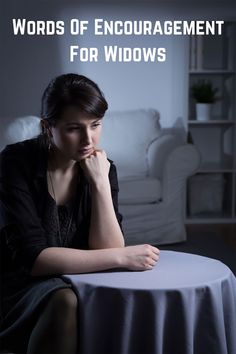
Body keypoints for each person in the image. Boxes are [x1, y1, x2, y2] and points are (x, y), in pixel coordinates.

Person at [0, 73, 160, 354]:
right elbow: (33, 259)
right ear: (48, 127)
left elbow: (108, 245)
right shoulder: (15, 162)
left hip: (82, 278)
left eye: (96, 125)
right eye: (74, 128)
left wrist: (99, 184)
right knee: (64, 301)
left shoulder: (102, 167)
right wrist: (123, 256)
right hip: (17, 285)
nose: (88, 139)